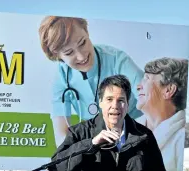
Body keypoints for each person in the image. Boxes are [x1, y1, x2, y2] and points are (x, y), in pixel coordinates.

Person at [38, 16, 144, 146]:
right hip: (97, 137)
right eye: (69, 52)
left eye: (82, 43)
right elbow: (61, 134)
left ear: (87, 32)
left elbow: (148, 95)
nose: (82, 56)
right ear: (57, 56)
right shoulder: (61, 78)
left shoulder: (116, 59)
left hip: (135, 126)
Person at [135, 57, 188, 171]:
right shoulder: (128, 130)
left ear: (168, 90)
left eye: (147, 78)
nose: (138, 86)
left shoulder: (182, 139)